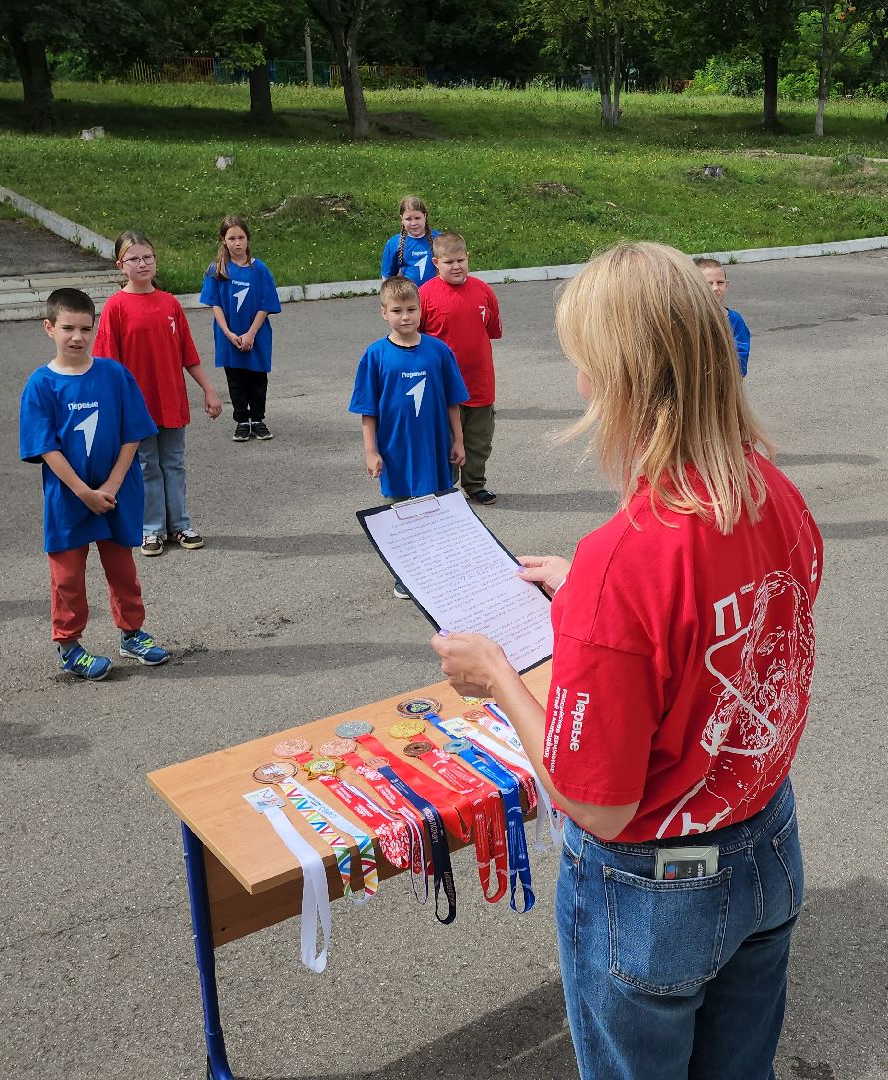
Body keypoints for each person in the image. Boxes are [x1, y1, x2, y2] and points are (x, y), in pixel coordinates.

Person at [432, 242, 823, 1080]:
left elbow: (594, 805)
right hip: (768, 844)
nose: (577, 385)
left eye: (584, 365)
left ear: (627, 380)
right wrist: (583, 592)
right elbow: (736, 625)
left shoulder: (626, 558)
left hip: (656, 889)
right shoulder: (773, 494)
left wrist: (499, 676)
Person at [20, 288, 174, 680]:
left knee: (122, 569)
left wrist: (113, 482)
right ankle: (69, 646)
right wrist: (82, 491)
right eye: (67, 328)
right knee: (67, 576)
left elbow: (133, 432)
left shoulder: (114, 374)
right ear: (48, 328)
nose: (77, 337)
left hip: (115, 492)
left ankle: (132, 634)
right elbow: (45, 446)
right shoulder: (40, 385)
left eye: (85, 328)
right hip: (69, 497)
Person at [95, 229, 223, 557]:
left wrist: (209, 390)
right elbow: (107, 366)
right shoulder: (116, 308)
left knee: (175, 463)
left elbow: (188, 355)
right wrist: (113, 408)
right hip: (136, 407)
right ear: (120, 265)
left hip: (171, 401)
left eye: (147, 257)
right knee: (146, 465)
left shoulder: (169, 304)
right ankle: (152, 529)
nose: (142, 264)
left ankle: (180, 524)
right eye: (134, 259)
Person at [350, 276, 466, 599]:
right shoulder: (375, 356)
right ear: (383, 312)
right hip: (396, 452)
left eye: (411, 309)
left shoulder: (438, 351)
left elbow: (452, 401)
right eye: (397, 310)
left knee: (437, 510)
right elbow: (367, 411)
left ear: (420, 311)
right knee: (401, 515)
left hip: (433, 450)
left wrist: (458, 440)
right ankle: (407, 574)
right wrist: (371, 451)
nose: (405, 317)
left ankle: (439, 567)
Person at [419, 231, 504, 505]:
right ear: (435, 263)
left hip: (479, 383)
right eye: (449, 262)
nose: (456, 266)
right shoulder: (424, 295)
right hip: (443, 387)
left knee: (479, 439)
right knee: (445, 439)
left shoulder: (483, 291)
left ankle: (475, 483)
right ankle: (446, 488)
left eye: (461, 260)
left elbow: (491, 330)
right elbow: (416, 340)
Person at [199, 215, 283, 443]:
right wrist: (227, 332)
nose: (237, 243)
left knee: (257, 379)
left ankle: (258, 420)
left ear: (248, 239)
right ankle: (241, 421)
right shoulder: (217, 270)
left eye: (241, 237)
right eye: (232, 238)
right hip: (229, 336)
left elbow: (266, 303)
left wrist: (251, 333)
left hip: (256, 335)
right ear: (223, 240)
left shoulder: (259, 269)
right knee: (235, 380)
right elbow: (214, 303)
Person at [694, 258, 752, 377]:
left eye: (720, 282)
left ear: (727, 284)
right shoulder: (690, 319)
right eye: (708, 283)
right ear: (695, 285)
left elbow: (741, 358)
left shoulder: (735, 320)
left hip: (725, 385)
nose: (715, 288)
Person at [379, 195, 440, 287]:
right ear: (401, 219)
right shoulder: (394, 243)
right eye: (408, 219)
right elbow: (387, 277)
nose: (414, 223)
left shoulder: (439, 239)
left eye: (417, 218)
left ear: (425, 216)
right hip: (408, 298)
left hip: (435, 294)